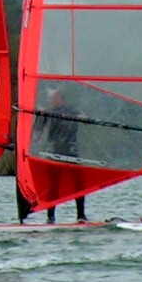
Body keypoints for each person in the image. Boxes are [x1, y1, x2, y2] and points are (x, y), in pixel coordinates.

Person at [30, 87, 87, 224]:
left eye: (53, 98)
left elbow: (84, 118)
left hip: (71, 152)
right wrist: (40, 114)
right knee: (53, 186)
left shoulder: (72, 111)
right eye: (50, 98)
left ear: (60, 98)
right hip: (54, 153)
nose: (51, 101)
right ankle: (50, 217)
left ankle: (81, 215)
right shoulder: (50, 112)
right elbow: (37, 129)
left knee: (78, 185)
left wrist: (82, 118)